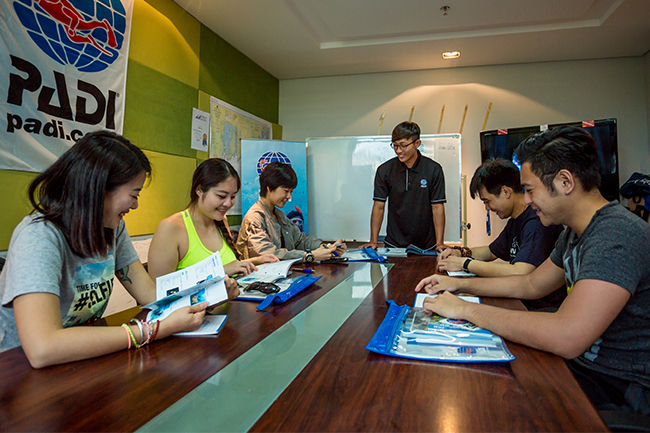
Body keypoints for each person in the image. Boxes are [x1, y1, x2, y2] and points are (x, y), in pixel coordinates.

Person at [415, 126, 650, 414]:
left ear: (565, 181)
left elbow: (567, 335)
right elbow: (529, 285)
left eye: (529, 190)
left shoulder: (616, 234)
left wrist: (465, 310)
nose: (525, 200)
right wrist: (458, 286)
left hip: (618, 387)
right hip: (584, 368)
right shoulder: (574, 233)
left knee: (487, 403)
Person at [0, 131, 239, 368]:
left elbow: (150, 295)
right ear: (99, 189)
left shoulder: (113, 229)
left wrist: (210, 296)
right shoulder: (39, 236)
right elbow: (43, 348)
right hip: (20, 372)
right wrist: (152, 330)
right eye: (133, 195)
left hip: (82, 361)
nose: (135, 205)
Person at [437, 158, 565, 310]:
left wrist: (465, 264)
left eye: (487, 201)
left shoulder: (537, 222)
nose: (487, 208)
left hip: (539, 308)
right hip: (521, 299)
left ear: (506, 191)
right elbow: (491, 251)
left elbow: (521, 272)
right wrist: (459, 252)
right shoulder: (516, 220)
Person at [148, 158, 277, 280]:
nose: (228, 203)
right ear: (199, 190)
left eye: (232, 197)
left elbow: (227, 265)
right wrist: (221, 271)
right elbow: (159, 292)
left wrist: (256, 261)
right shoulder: (171, 228)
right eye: (221, 196)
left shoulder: (220, 221)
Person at [237, 161, 346, 262]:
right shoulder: (254, 218)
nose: (289, 197)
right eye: (286, 191)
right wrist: (309, 256)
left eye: (291, 192)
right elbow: (269, 255)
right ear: (269, 187)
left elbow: (301, 240)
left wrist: (326, 247)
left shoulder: (279, 215)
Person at [361, 121, 446, 251]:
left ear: (417, 143)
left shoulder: (433, 170)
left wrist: (440, 242)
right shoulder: (385, 170)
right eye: (395, 146)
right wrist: (373, 240)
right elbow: (379, 207)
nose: (399, 151)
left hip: (427, 245)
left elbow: (437, 207)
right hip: (394, 244)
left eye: (403, 146)